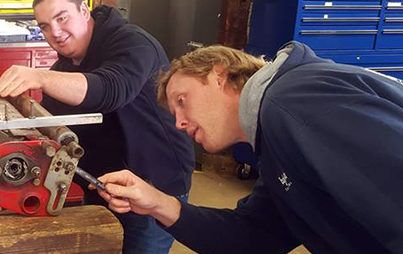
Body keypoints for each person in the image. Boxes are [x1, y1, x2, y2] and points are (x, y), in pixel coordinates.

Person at [95, 42, 403, 254]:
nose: (179, 123)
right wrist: (157, 203)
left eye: (182, 101)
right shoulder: (275, 148)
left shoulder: (290, 101)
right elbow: (252, 238)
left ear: (219, 74)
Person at [0, 0, 195, 254]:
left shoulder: (132, 43)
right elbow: (51, 122)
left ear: (84, 11)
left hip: (154, 184)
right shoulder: (66, 64)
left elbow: (110, 90)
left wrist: (38, 76)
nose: (55, 32)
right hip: (101, 184)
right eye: (45, 26)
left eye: (61, 18)